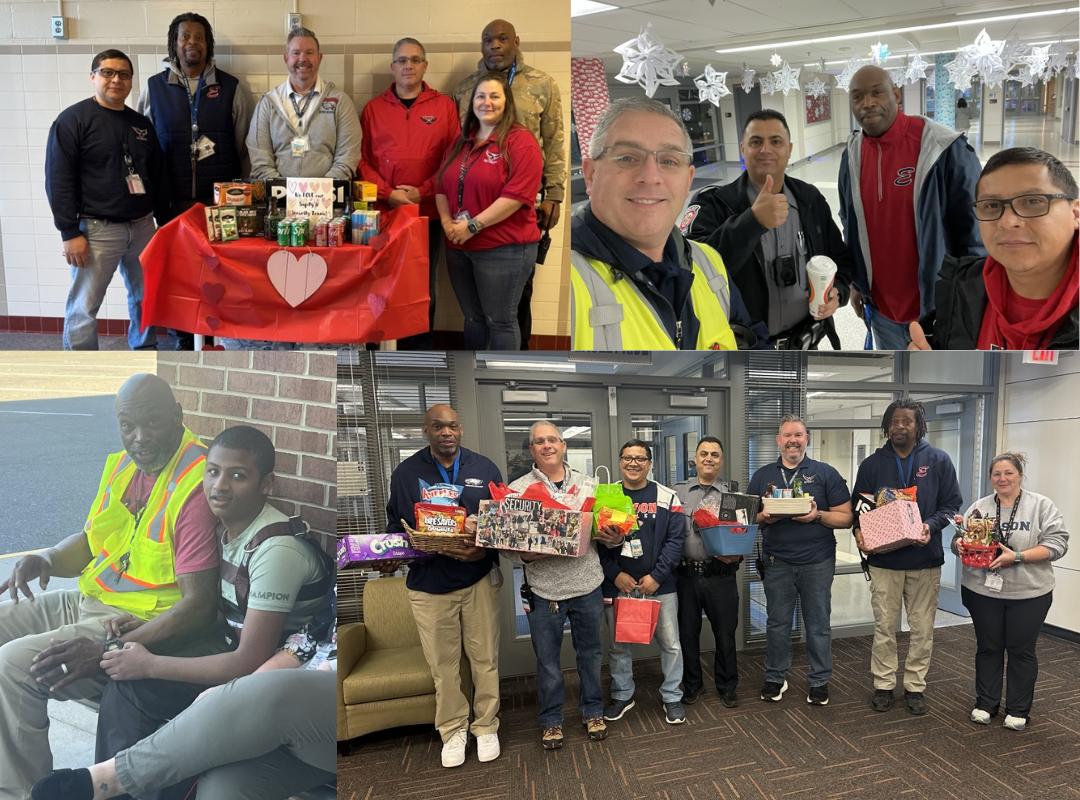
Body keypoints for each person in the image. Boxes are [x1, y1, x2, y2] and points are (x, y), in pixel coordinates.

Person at [0, 374, 221, 799]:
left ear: (177, 417)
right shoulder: (124, 465)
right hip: (91, 600)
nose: (139, 438)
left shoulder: (196, 482)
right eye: (127, 425)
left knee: (14, 666)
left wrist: (109, 652)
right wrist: (46, 558)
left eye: (152, 423)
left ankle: (21, 792)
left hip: (133, 624)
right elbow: (90, 539)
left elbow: (199, 605)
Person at [92, 425, 331, 800]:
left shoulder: (276, 549)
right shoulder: (226, 529)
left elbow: (250, 659)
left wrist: (150, 663)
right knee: (129, 688)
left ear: (265, 484)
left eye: (238, 475)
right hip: (238, 655)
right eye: (213, 471)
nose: (219, 485)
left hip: (278, 679)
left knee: (141, 682)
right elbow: (228, 616)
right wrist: (147, 628)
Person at [31, 611, 337, 800]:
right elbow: (303, 644)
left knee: (280, 694)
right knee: (224, 789)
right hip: (297, 733)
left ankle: (108, 781)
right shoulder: (337, 603)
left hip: (335, 717)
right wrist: (237, 696)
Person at [571, 97, 769, 350]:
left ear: (688, 182)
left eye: (668, 161)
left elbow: (753, 347)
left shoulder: (708, 262)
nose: (650, 177)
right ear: (590, 175)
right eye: (627, 158)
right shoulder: (566, 283)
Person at [382, 404, 503, 768]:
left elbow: (503, 526)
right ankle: (453, 731)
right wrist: (388, 552)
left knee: (485, 660)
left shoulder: (484, 469)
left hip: (476, 579)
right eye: (438, 426)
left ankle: (486, 727)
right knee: (443, 666)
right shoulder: (405, 473)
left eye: (452, 426)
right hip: (429, 585)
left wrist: (483, 554)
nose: (446, 432)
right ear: (426, 430)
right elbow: (395, 525)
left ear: (461, 429)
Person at [838, 65, 984, 350]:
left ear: (895, 94)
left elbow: (975, 236)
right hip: (881, 312)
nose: (867, 103)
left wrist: (969, 303)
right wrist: (857, 283)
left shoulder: (943, 149)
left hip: (937, 311)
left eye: (877, 93)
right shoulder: (851, 156)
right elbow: (849, 223)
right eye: (857, 97)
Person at [683, 110, 854, 349]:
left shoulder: (810, 200)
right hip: (741, 348)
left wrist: (839, 292)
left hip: (805, 344)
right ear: (743, 149)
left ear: (789, 149)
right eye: (756, 142)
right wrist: (751, 222)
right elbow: (691, 272)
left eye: (776, 141)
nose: (766, 149)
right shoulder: (713, 205)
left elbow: (841, 259)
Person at [136, 12, 249, 351]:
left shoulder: (230, 87)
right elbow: (144, 143)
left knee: (221, 272)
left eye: (199, 37)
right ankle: (183, 336)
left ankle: (219, 334)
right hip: (173, 200)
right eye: (185, 37)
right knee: (181, 274)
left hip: (219, 201)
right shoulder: (155, 87)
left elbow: (242, 141)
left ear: (208, 44)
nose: (192, 43)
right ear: (174, 43)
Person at [508, 421, 624, 749]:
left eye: (552, 440)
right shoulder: (517, 490)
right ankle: (551, 720)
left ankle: (593, 711)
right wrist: (526, 559)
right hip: (544, 591)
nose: (547, 446)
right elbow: (506, 547)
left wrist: (615, 537)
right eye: (539, 441)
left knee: (590, 655)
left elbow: (609, 539)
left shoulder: (590, 485)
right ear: (531, 449)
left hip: (588, 585)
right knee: (547, 661)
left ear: (563, 445)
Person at [45, 49, 171, 351]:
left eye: (124, 74)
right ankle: (82, 373)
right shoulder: (72, 121)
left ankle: (144, 352)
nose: (116, 79)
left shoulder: (140, 124)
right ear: (93, 77)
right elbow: (58, 180)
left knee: (144, 297)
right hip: (97, 230)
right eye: (107, 72)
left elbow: (156, 175)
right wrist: (69, 232)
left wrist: (164, 224)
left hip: (142, 227)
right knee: (84, 306)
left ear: (130, 82)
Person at [454, 19, 566, 350]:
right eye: (488, 39)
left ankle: (520, 353)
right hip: (472, 205)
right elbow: (456, 144)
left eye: (502, 38)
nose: (495, 45)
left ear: (516, 41)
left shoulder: (542, 84)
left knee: (516, 296)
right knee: (476, 305)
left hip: (524, 204)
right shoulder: (465, 89)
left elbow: (555, 140)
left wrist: (555, 195)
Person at [851, 398, 963, 715]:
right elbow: (860, 505)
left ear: (918, 425)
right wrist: (859, 532)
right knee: (884, 627)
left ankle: (915, 686)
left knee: (922, 628)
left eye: (906, 421)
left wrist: (930, 525)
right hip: (884, 562)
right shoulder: (873, 464)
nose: (899, 426)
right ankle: (884, 685)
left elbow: (951, 504)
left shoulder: (938, 459)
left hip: (924, 560)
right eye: (894, 421)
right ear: (887, 426)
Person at [910, 147, 1078, 350]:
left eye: (1033, 201)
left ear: (1075, 213)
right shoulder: (961, 286)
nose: (1007, 222)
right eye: (991, 205)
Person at [951, 452, 1068, 731]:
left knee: (1021, 650)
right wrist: (959, 544)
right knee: (988, 647)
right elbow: (961, 537)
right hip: (982, 592)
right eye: (996, 474)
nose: (1002, 479)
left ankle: (1018, 709)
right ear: (991, 477)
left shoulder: (1040, 505)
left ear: (1020, 475)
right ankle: (985, 703)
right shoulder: (979, 507)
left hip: (1028, 593)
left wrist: (1017, 557)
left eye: (1008, 473)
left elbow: (1058, 544)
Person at [358, 37, 461, 350]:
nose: (408, 66)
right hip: (382, 213)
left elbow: (453, 159)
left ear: (425, 66)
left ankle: (419, 349)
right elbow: (361, 161)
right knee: (378, 282)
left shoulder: (444, 107)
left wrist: (423, 192)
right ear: (393, 67)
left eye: (415, 60)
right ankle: (375, 344)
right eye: (402, 60)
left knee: (420, 286)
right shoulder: (373, 109)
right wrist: (388, 194)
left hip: (425, 214)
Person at [747, 416, 853, 705]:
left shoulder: (825, 473)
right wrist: (764, 517)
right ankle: (775, 677)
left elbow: (846, 518)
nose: (792, 440)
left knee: (818, 623)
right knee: (777, 623)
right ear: (778, 440)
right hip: (775, 560)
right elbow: (746, 520)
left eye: (798, 435)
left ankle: (819, 680)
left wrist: (816, 516)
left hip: (817, 561)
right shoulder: (762, 475)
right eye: (786, 435)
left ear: (807, 438)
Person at [435, 71, 543, 350]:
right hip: (458, 245)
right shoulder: (461, 142)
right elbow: (440, 187)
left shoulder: (520, 141)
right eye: (481, 96)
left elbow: (517, 196)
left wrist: (471, 226)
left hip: (503, 249)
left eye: (495, 96)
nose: (487, 102)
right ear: (472, 102)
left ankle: (505, 378)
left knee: (500, 321)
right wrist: (448, 224)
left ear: (507, 102)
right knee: (473, 319)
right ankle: (475, 376)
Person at [599, 440, 687, 726]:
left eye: (640, 458)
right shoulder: (607, 496)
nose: (633, 463)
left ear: (650, 463)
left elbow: (676, 541)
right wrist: (615, 575)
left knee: (671, 644)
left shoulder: (667, 497)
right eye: (628, 458)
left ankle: (672, 696)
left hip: (660, 586)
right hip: (620, 585)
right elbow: (596, 544)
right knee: (619, 646)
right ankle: (623, 694)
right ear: (620, 461)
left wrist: (657, 577)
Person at [671, 437, 742, 707]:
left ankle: (727, 685)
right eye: (704, 454)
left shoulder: (732, 493)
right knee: (687, 633)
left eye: (714, 454)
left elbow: (741, 533)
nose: (709, 458)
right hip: (686, 575)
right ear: (695, 459)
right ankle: (693, 684)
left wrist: (737, 553)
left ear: (721, 460)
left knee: (725, 633)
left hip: (720, 574)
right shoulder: (677, 492)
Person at [247, 27, 361, 181]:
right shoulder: (267, 104)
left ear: (319, 58)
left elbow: (348, 157)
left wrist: (319, 192)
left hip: (326, 199)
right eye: (296, 53)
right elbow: (260, 161)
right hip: (278, 200)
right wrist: (286, 192)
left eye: (309, 52)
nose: (302, 59)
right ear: (286, 58)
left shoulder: (340, 102)